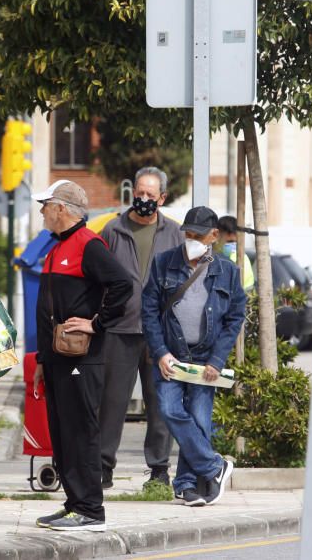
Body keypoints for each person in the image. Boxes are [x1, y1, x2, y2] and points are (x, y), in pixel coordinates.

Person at [31, 180, 132, 532]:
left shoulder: (88, 244)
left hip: (81, 358)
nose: (42, 211)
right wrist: (42, 360)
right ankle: (75, 502)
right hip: (57, 357)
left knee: (81, 432)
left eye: (46, 205)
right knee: (62, 431)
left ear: (62, 208)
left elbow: (123, 284)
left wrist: (97, 324)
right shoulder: (56, 247)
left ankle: (90, 508)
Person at [142, 206, 246, 507]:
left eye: (198, 235)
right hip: (171, 355)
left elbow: (234, 318)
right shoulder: (164, 263)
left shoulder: (228, 271)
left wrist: (217, 359)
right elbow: (148, 310)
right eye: (187, 234)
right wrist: (160, 352)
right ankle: (215, 466)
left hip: (204, 358)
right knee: (169, 409)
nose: (191, 239)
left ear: (213, 236)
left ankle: (187, 485)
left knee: (200, 419)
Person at [98, 167, 182, 489]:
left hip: (160, 332)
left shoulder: (174, 234)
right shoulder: (113, 230)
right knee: (112, 401)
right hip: (119, 328)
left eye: (151, 195)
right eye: (139, 193)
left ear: (162, 198)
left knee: (160, 402)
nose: (144, 199)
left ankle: (159, 470)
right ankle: (104, 467)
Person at [217, 215, 255, 291]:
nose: (230, 245)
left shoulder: (239, 258)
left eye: (233, 242)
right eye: (228, 242)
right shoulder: (214, 257)